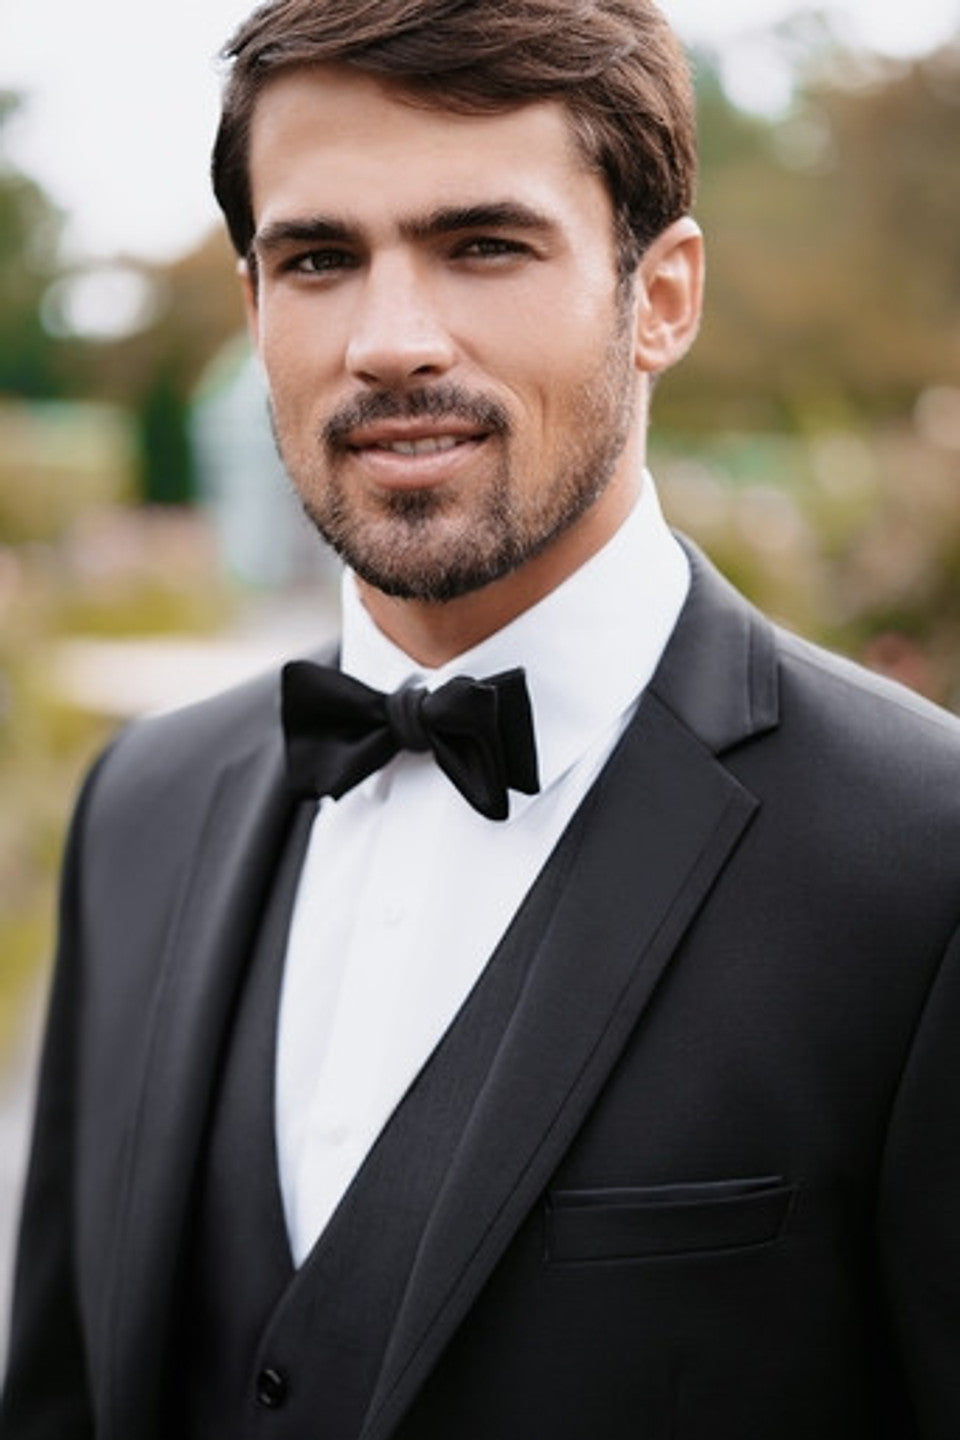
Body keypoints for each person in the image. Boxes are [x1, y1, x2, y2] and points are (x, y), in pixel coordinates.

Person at [3, 0, 959, 1435]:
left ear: (665, 297)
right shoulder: (139, 804)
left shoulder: (925, 861)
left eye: (483, 244)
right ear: (256, 305)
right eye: (319, 257)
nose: (390, 339)